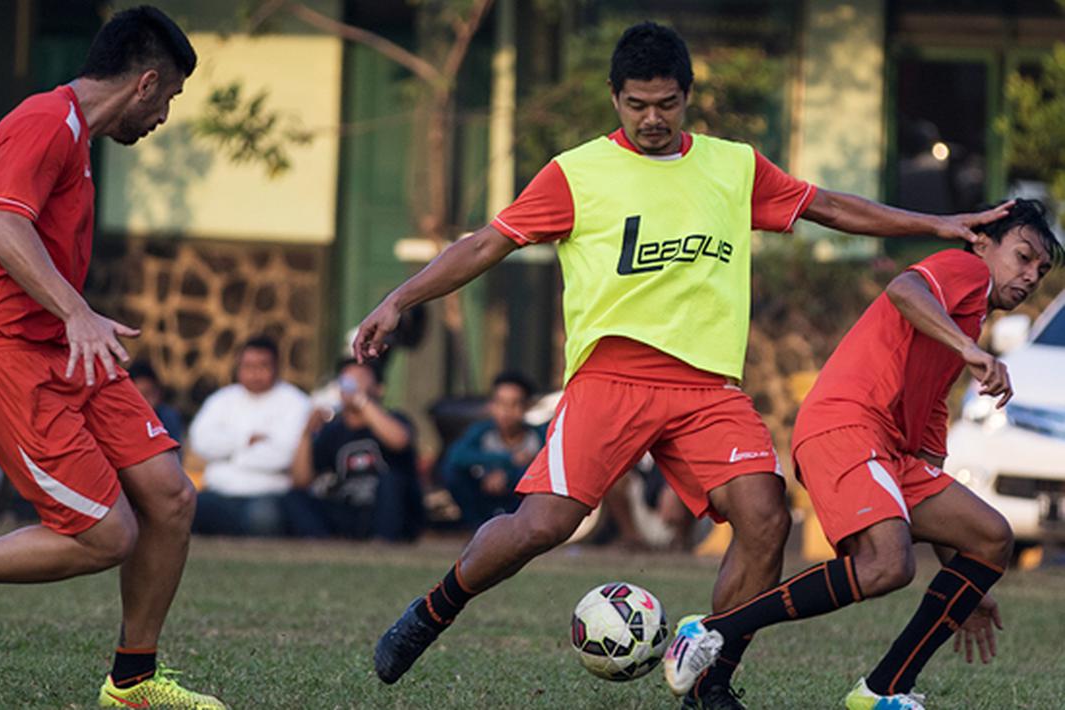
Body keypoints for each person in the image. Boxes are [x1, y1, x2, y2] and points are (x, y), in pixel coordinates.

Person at [353, 21, 1012, 708]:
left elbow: (830, 207)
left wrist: (933, 224)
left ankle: (707, 680)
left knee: (766, 520)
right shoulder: (576, 172)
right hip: (610, 379)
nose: (650, 118)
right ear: (614, 98)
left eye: (665, 103)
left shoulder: (732, 166)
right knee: (540, 527)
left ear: (686, 97)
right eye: (636, 104)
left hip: (706, 391)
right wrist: (400, 297)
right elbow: (488, 243)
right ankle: (436, 608)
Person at [0, 8, 224, 708]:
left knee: (168, 495)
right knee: (105, 536)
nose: (162, 118)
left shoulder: (74, 136)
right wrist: (74, 313)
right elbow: (3, 228)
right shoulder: (46, 121)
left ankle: (132, 681)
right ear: (146, 83)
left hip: (61, 350)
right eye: (169, 101)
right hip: (11, 358)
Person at [664, 199, 1061, 709]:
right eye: (1023, 257)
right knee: (887, 565)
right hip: (845, 426)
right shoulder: (963, 268)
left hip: (889, 450)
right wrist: (970, 351)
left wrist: (966, 584)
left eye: (1042, 270)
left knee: (989, 538)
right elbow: (904, 288)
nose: (1031, 276)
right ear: (982, 242)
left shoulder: (964, 325)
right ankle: (712, 630)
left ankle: (882, 691)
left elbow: (932, 468)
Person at [288, 359, 423, 542]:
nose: (350, 383)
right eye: (346, 378)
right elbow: (301, 481)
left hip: (389, 510)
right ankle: (322, 544)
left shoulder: (395, 418)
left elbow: (399, 441)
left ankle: (383, 541)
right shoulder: (333, 430)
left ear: (379, 388)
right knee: (295, 498)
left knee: (392, 481)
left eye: (360, 378)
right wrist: (306, 434)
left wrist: (362, 401)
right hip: (350, 508)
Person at [188, 336, 310, 536]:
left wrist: (230, 456)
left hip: (267, 495)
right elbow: (201, 442)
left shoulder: (296, 403)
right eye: (248, 366)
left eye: (262, 366)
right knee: (185, 509)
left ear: (277, 367)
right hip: (218, 493)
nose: (255, 373)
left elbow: (285, 455)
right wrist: (245, 440)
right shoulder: (221, 400)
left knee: (264, 519)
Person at [441, 371, 543, 529]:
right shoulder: (482, 432)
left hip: (517, 501)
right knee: (452, 471)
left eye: (514, 404)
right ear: (492, 405)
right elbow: (456, 455)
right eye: (501, 404)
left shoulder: (537, 437)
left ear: (527, 407)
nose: (506, 412)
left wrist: (508, 476)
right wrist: (506, 461)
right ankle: (476, 525)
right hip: (483, 494)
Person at [129, 361, 184, 445]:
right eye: (141, 396)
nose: (146, 402)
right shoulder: (123, 422)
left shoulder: (169, 417)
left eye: (150, 394)